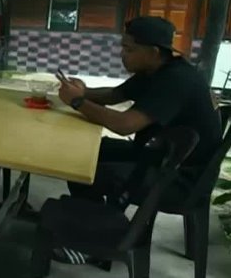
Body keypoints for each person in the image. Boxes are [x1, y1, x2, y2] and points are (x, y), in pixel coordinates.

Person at [54, 16, 221, 264]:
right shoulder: (154, 69)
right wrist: (83, 92)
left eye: (129, 49)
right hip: (158, 155)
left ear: (154, 52)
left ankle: (93, 244)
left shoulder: (177, 80)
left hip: (180, 177)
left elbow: (125, 125)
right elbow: (114, 95)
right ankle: (91, 226)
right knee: (83, 152)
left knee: (89, 170)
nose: (122, 54)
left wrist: (78, 102)